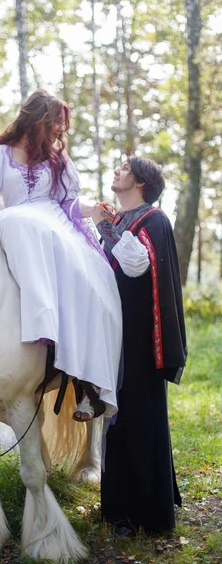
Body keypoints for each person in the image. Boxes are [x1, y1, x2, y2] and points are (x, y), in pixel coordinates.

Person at [0, 89, 122, 421]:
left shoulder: (59, 161)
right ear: (38, 119)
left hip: (53, 224)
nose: (59, 132)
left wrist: (93, 208)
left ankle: (89, 382)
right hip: (17, 223)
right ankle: (40, 326)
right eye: (55, 124)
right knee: (19, 223)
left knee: (90, 280)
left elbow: (68, 204)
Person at [86, 156, 187, 536]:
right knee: (117, 422)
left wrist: (103, 227)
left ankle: (149, 512)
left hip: (142, 343)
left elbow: (135, 266)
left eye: (124, 168)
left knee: (140, 422)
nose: (116, 171)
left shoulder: (154, 220)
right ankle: (119, 511)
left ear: (141, 182)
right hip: (115, 337)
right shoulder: (122, 221)